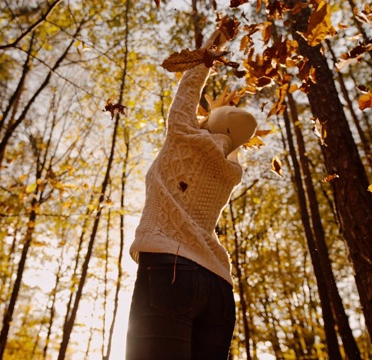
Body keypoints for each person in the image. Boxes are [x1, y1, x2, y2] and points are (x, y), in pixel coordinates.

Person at [126, 23, 257, 360]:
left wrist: (209, 51)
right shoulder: (231, 171)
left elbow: (188, 89)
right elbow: (229, 138)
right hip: (219, 285)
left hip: (170, 268)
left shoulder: (182, 134)